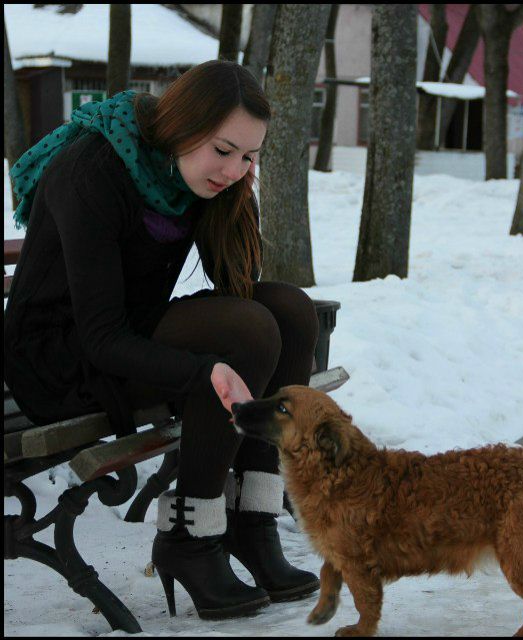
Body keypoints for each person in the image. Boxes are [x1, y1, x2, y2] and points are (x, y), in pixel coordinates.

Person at [4, 60, 319, 620]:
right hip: (61, 361)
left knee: (288, 311)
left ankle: (251, 522)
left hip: (127, 334)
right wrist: (204, 372)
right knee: (246, 330)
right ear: (184, 123)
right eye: (223, 150)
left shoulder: (196, 174)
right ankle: (188, 538)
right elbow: (101, 336)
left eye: (249, 157)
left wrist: (223, 361)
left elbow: (237, 286)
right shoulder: (94, 170)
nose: (233, 170)